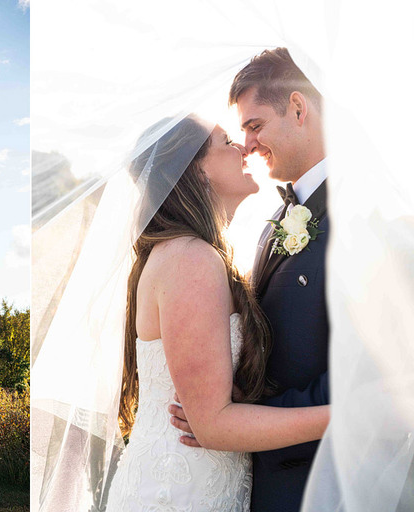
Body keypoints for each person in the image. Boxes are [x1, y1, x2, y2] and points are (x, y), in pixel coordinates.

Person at [101, 113, 328, 511]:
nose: (242, 146)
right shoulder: (190, 257)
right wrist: (346, 416)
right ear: (196, 172)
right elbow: (213, 426)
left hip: (201, 481)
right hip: (179, 491)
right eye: (225, 142)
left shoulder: (190, 253)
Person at [170, 48, 330, 512]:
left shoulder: (365, 218)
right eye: (238, 134)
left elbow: (370, 376)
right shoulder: (269, 225)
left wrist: (235, 422)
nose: (248, 145)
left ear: (298, 109)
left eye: (255, 126)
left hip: (321, 484)